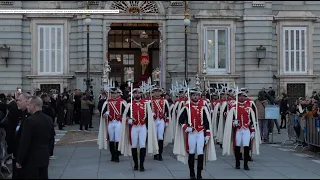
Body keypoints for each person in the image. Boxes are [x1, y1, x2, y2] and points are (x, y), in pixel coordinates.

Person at [173, 88, 216, 179]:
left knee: (200, 152)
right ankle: (192, 172)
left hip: (200, 132)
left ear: (199, 96)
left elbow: (206, 121)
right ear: (191, 96)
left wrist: (207, 133)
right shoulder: (186, 107)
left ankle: (199, 173)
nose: (195, 97)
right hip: (191, 133)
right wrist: (186, 127)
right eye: (193, 95)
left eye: (197, 95)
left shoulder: (203, 107)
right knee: (191, 152)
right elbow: (180, 119)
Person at [118, 87, 158, 172]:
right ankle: (136, 164)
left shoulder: (146, 104)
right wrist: (128, 120)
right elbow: (124, 116)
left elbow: (149, 116)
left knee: (143, 145)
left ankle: (142, 164)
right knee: (134, 145)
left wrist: (151, 118)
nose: (137, 94)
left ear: (141, 94)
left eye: (138, 93)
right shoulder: (130, 105)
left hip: (142, 127)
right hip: (134, 127)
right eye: (135, 93)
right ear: (133, 94)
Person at [16, 96, 54, 179]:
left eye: (29, 104)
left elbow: (25, 141)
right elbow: (51, 139)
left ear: (33, 106)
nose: (27, 106)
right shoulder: (49, 119)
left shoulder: (29, 121)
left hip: (31, 159)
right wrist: (49, 153)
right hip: (44, 156)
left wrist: (19, 159)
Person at [222, 91, 260, 171]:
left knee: (246, 146)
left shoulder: (249, 108)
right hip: (238, 130)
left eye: (243, 96)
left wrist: (253, 130)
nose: (242, 98)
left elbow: (252, 120)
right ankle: (237, 163)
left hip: (246, 129)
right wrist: (233, 122)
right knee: (237, 146)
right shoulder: (234, 108)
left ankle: (246, 164)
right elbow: (229, 120)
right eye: (240, 96)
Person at [98, 88, 127, 163]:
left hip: (118, 122)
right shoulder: (107, 102)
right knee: (111, 139)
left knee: (117, 139)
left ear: (118, 94)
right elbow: (103, 113)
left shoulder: (122, 102)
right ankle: (112, 155)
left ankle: (117, 155)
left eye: (115, 93)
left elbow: (126, 113)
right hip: (110, 122)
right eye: (112, 93)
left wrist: (121, 116)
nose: (114, 95)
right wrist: (105, 114)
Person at [12, 93, 32, 179]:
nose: (17, 102)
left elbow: (25, 140)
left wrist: (20, 158)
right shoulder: (20, 114)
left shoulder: (29, 118)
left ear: (27, 102)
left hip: (26, 158)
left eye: (19, 100)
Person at [150, 87, 172, 161]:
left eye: (158, 91)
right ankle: (155, 153)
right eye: (155, 91)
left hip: (161, 120)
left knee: (160, 137)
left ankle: (160, 154)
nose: (157, 93)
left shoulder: (164, 101)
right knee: (154, 137)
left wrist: (167, 121)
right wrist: (151, 114)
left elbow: (167, 111)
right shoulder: (150, 101)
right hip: (154, 120)